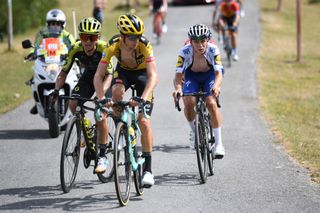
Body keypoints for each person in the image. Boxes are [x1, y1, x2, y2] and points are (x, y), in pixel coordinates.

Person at [94, 14, 158, 187]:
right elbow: (98, 76)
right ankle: (122, 127)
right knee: (116, 92)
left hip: (143, 75)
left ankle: (148, 171)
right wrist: (101, 98)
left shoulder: (145, 45)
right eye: (131, 37)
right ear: (122, 36)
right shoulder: (113, 44)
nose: (135, 41)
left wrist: (143, 99)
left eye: (137, 36)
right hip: (123, 72)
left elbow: (153, 76)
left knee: (144, 122)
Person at [52, 17, 113, 173]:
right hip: (89, 76)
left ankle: (102, 156)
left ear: (97, 38)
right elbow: (63, 73)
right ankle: (86, 130)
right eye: (84, 37)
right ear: (80, 37)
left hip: (106, 77)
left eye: (91, 37)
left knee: (101, 114)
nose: (88, 41)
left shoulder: (104, 47)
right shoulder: (75, 48)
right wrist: (57, 91)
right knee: (73, 103)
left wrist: (102, 96)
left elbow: (111, 75)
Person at [172, 24, 225, 159]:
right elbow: (178, 76)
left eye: (203, 41)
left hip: (209, 76)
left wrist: (216, 87)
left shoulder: (213, 49)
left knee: (211, 103)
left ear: (208, 40)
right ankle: (195, 131)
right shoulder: (184, 52)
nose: (200, 45)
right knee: (188, 101)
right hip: (192, 76)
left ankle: (219, 144)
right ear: (190, 41)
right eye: (196, 41)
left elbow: (219, 73)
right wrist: (178, 88)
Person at [25, 9, 75, 114]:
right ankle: (38, 101)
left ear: (62, 25)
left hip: (62, 62)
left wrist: (77, 55)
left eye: (57, 24)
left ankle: (76, 101)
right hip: (47, 62)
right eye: (52, 23)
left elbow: (75, 47)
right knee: (35, 78)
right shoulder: (43, 35)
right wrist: (32, 53)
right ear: (48, 24)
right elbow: (36, 47)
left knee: (77, 75)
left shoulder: (67, 36)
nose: (55, 26)